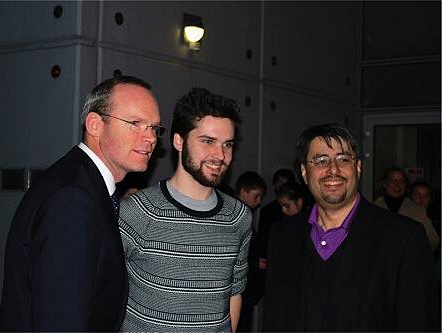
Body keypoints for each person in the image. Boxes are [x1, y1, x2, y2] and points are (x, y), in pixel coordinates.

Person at [0, 76, 163, 331]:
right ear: (95, 124)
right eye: (135, 123)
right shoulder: (73, 199)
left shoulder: (83, 184)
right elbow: (62, 321)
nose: (150, 137)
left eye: (154, 128)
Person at [263, 123, 439, 332]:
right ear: (304, 171)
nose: (333, 170)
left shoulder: (403, 238)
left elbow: (418, 323)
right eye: (321, 160)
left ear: (358, 167)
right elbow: (274, 319)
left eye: (343, 159)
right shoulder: (282, 236)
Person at [118, 87, 253, 333]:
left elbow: (235, 293)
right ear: (178, 141)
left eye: (228, 145)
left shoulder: (239, 218)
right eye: (208, 141)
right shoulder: (136, 213)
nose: (220, 155)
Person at [374, 166, 440, 252]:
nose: (397, 185)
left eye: (402, 181)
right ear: (385, 184)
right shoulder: (375, 208)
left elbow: (433, 240)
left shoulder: (417, 211)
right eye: (393, 181)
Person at [234, 171, 267, 332]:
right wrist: (255, 262)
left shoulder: (244, 214)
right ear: (243, 192)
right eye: (256, 196)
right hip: (239, 289)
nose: (259, 201)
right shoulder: (237, 216)